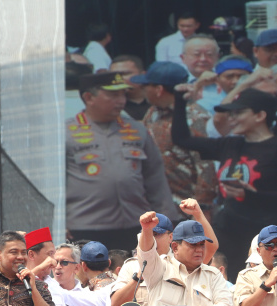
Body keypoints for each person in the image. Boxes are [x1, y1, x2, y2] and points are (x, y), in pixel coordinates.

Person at [172, 86, 277, 281]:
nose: (232, 118)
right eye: (231, 113)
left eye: (239, 112)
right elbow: (181, 139)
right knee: (226, 278)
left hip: (269, 229)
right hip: (230, 226)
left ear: (260, 115)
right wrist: (180, 100)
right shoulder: (231, 144)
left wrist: (253, 196)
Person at [66, 71, 176, 251]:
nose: (121, 100)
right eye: (113, 95)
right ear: (89, 97)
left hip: (135, 223)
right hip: (85, 226)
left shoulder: (136, 128)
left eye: (123, 94)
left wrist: (166, 219)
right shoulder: (67, 132)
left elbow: (155, 177)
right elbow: (53, 186)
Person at [134, 61, 218, 217]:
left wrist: (202, 208)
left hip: (186, 209)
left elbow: (207, 167)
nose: (142, 90)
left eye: (146, 86)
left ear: (159, 89)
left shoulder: (195, 117)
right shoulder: (153, 112)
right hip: (158, 204)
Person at [180, 34, 223, 113]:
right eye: (197, 54)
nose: (203, 59)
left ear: (217, 57)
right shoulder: (176, 80)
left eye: (209, 54)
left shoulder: (224, 81)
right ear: (183, 58)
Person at [110, 55, 150, 121]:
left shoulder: (158, 101)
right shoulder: (109, 106)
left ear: (143, 75)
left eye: (125, 74)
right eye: (114, 75)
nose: (119, 79)